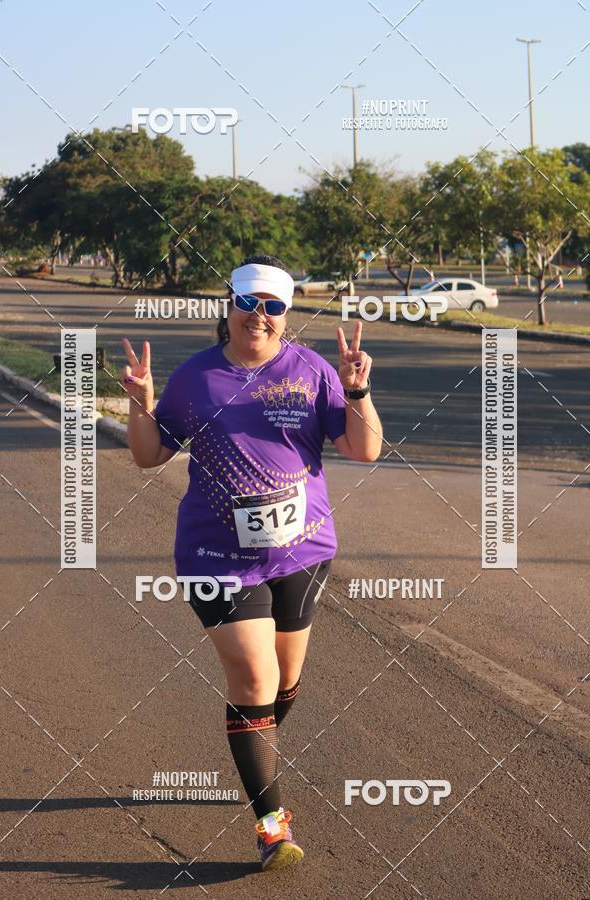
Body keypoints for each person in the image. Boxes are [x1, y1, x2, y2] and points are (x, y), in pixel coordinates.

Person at [121, 254, 382, 871]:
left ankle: (254, 746)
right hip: (216, 555)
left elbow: (363, 449)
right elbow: (149, 455)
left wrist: (356, 389)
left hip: (303, 550)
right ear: (229, 306)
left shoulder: (313, 371)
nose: (259, 317)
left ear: (286, 315)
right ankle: (271, 825)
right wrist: (140, 402)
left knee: (285, 683)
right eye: (249, 303)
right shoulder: (197, 377)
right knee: (255, 679)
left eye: (273, 307)